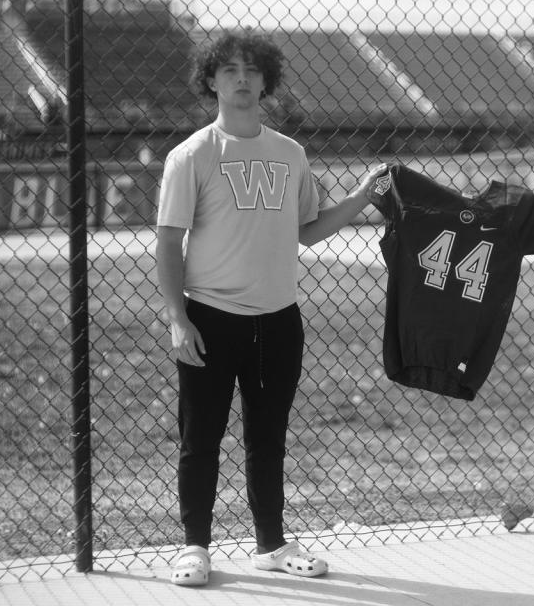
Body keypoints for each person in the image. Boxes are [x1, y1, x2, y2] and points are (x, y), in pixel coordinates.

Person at [155, 29, 385, 587]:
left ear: (266, 80)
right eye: (229, 69)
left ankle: (271, 544)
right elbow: (167, 242)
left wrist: (358, 198)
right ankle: (195, 546)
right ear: (210, 80)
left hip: (278, 320)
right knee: (200, 437)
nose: (241, 78)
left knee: (268, 436)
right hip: (209, 316)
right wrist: (178, 317)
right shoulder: (193, 155)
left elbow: (307, 231)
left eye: (251, 70)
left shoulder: (290, 153)